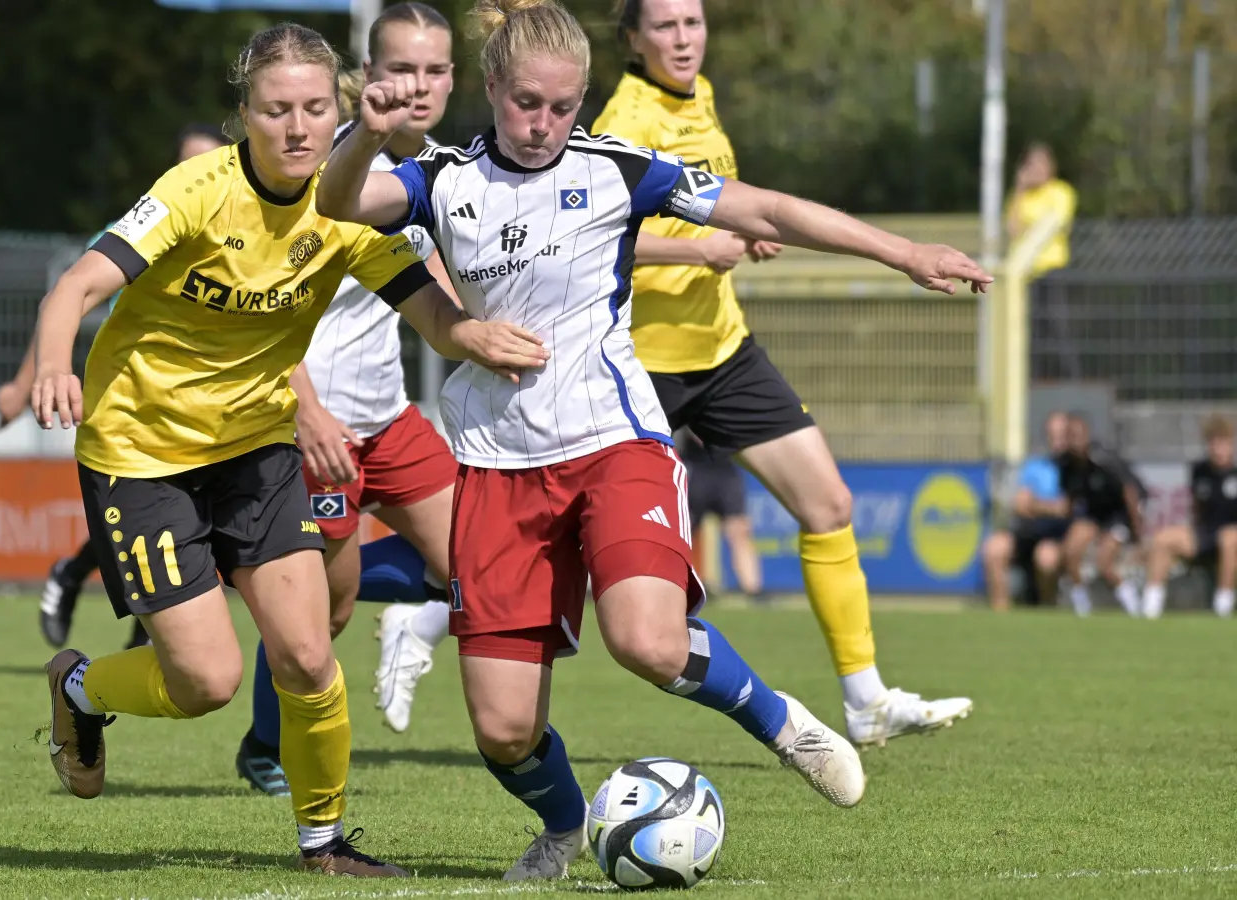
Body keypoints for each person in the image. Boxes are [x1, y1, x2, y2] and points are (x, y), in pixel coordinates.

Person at [318, 0, 991, 877]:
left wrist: (903, 253)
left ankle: (781, 722)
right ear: (491, 87)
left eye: (563, 106)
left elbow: (769, 210)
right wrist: (366, 137)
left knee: (648, 640)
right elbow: (335, 201)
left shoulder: (618, 170)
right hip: (495, 464)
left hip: (613, 442)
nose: (544, 124)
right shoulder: (441, 179)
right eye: (526, 103)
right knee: (504, 730)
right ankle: (563, 826)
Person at [30, 22, 532, 876]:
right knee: (206, 683)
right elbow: (77, 284)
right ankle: (79, 689)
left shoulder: (349, 208)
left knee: (306, 653)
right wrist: (52, 364)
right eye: (276, 110)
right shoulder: (195, 191)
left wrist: (475, 336)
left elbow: (431, 313)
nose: (298, 128)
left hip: (257, 447)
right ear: (245, 115)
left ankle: (324, 842)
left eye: (313, 108)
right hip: (142, 453)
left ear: (337, 108)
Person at [591, 0, 973, 747]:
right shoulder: (623, 120)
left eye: (693, 22)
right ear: (632, 38)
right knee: (578, 543)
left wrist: (738, 234)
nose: (683, 38)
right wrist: (700, 249)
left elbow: (722, 205)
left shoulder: (699, 96)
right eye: (665, 26)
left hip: (722, 350)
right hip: (642, 363)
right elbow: (596, 236)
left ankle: (865, 700)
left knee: (828, 502)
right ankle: (436, 612)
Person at [235, 1, 462, 798]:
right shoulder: (320, 169)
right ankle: (264, 747)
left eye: (434, 70)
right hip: (309, 421)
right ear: (368, 78)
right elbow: (265, 307)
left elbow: (437, 281)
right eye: (401, 68)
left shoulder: (444, 172)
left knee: (479, 559)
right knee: (322, 616)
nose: (417, 86)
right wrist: (307, 412)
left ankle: (408, 619)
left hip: (389, 418)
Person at [4, 128, 239, 656]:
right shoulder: (136, 229)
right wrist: (29, 380)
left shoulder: (243, 238)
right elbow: (67, 298)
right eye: (188, 163)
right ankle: (85, 593)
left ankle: (102, 607)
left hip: (208, 413)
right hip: (134, 412)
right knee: (166, 530)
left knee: (192, 531)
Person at [1141, 416, 1237, 618]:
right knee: (1162, 539)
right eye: (1213, 443)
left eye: (1223, 443)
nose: (1218, 449)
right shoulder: (1200, 471)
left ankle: (1223, 605)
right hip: (1206, 535)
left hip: (1231, 540)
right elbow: (1197, 509)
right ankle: (1150, 607)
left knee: (1229, 538)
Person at [982, 411, 1071, 610]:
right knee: (993, 549)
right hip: (1026, 532)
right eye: (1053, 435)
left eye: (1062, 435)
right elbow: (1021, 505)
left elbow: (1065, 509)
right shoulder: (1036, 466)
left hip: (1055, 538)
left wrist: (1036, 505)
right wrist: (1049, 506)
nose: (1058, 441)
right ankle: (1001, 615)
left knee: (1046, 558)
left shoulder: (1075, 470)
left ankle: (1046, 610)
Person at [1058, 413, 1144, 616]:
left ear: (1087, 435)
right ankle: (1081, 603)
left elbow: (1130, 492)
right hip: (1094, 515)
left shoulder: (1104, 460)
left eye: (1078, 435)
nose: (1074, 441)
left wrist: (1136, 531)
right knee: (1071, 550)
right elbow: (1070, 499)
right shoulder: (1067, 465)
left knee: (1104, 562)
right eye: (1070, 436)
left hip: (1118, 515)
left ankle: (1131, 602)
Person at [677, 429, 762, 601]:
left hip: (726, 473)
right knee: (686, 533)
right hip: (695, 472)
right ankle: (687, 587)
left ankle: (753, 590)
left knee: (739, 531)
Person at [1006, 143, 1076, 279]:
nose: (1037, 170)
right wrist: (1019, 189)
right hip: (1024, 271)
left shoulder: (1060, 191)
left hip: (1051, 267)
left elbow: (1056, 223)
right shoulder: (1021, 198)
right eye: (1033, 165)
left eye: (1042, 164)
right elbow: (1013, 231)